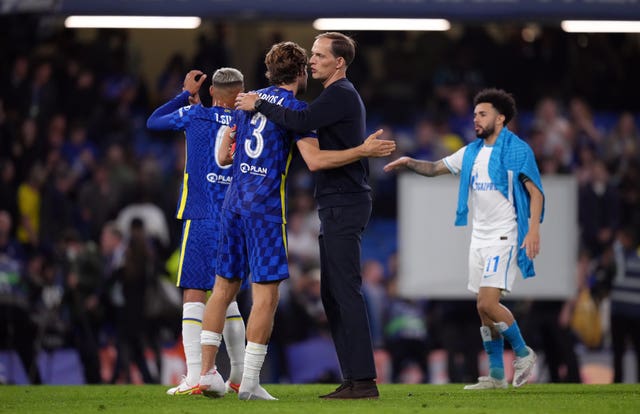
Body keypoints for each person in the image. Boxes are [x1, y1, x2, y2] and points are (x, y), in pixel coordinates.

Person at [200, 40, 394, 401]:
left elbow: (223, 157)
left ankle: (207, 372)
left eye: (321, 54)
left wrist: (251, 111)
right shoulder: (294, 106)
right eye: (311, 58)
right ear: (301, 72)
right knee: (267, 296)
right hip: (266, 210)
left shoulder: (248, 100)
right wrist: (364, 151)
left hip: (234, 204)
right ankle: (250, 382)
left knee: (223, 289)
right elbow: (314, 157)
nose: (315, 61)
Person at [384, 88, 544, 390]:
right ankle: (496, 375)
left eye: (482, 114)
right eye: (474, 115)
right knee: (483, 309)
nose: (475, 119)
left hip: (504, 235)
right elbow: (433, 169)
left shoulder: (517, 150)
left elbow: (535, 191)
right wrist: (409, 162)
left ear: (500, 118)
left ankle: (523, 353)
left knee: (488, 301)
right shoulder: (471, 152)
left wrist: (533, 229)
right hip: (479, 237)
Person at [146, 67, 247, 395]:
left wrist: (185, 95)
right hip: (235, 217)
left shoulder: (195, 114)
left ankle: (194, 376)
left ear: (213, 93)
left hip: (201, 215)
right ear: (240, 92)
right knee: (226, 295)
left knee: (194, 293)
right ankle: (240, 374)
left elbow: (154, 122)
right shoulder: (248, 123)